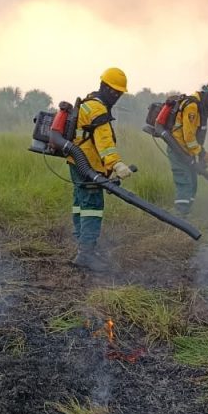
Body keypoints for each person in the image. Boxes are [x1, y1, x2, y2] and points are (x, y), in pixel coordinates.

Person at [69, 67, 134, 272]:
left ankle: (83, 245)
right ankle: (86, 254)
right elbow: (104, 142)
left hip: (76, 163)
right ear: (106, 88)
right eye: (116, 92)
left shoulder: (88, 102)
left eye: (120, 93)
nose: (117, 96)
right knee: (92, 207)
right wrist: (116, 164)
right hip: (89, 166)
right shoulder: (98, 109)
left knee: (80, 203)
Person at [168, 81, 208, 215]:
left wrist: (201, 155)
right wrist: (202, 154)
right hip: (178, 150)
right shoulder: (192, 106)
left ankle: (186, 213)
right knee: (185, 183)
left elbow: (195, 137)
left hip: (187, 152)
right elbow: (189, 137)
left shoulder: (201, 106)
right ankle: (178, 217)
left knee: (193, 183)